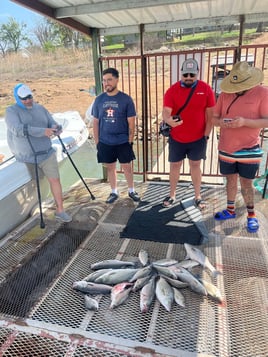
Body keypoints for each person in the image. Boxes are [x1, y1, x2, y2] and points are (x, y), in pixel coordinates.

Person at [212, 61, 268, 233]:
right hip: (226, 147)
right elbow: (213, 118)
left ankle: (251, 215)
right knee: (230, 180)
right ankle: (230, 210)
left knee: (246, 183)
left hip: (249, 148)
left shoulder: (263, 93)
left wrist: (245, 122)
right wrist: (221, 122)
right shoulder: (225, 94)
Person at [5, 83, 72, 223]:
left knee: (55, 180)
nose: (28, 100)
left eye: (30, 97)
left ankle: (60, 210)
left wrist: (56, 127)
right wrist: (42, 132)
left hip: (47, 153)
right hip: (27, 158)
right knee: (36, 183)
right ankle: (35, 207)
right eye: (24, 99)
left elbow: (51, 122)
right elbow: (16, 129)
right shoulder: (11, 111)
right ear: (17, 98)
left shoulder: (40, 108)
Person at [162, 58, 215, 209]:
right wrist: (168, 120)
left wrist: (206, 135)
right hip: (177, 137)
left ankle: (198, 196)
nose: (189, 77)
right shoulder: (172, 90)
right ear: (181, 74)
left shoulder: (206, 89)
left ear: (197, 73)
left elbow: (210, 115)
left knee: (195, 165)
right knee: (174, 166)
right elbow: (166, 112)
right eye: (186, 74)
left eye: (192, 74)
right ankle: (172, 195)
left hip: (198, 138)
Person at [92, 67, 140, 204]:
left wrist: (130, 141)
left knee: (127, 167)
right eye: (104, 81)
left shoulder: (126, 99)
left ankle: (131, 190)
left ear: (117, 80)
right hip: (105, 141)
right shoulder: (99, 100)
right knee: (110, 167)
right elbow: (95, 122)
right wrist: (97, 142)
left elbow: (131, 123)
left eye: (110, 80)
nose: (107, 83)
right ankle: (114, 191)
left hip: (123, 141)